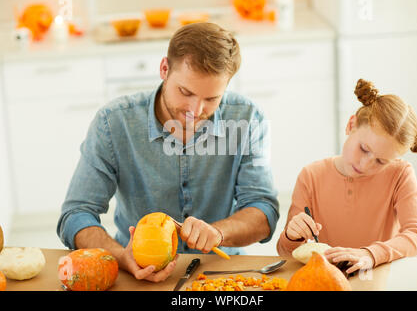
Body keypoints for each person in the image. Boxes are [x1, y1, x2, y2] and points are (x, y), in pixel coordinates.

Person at [57, 22, 279, 282]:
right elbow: (75, 214)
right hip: (135, 271)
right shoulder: (113, 122)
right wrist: (120, 256)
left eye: (211, 99)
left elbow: (264, 210)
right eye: (185, 92)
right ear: (164, 69)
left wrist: (218, 233)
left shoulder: (248, 118)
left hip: (221, 274)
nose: (195, 111)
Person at [277, 79, 417, 275]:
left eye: (381, 162)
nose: (365, 165)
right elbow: (284, 253)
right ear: (351, 125)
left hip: (375, 279)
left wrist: (371, 255)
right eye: (364, 148)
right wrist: (291, 235)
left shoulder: (400, 174)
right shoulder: (311, 176)